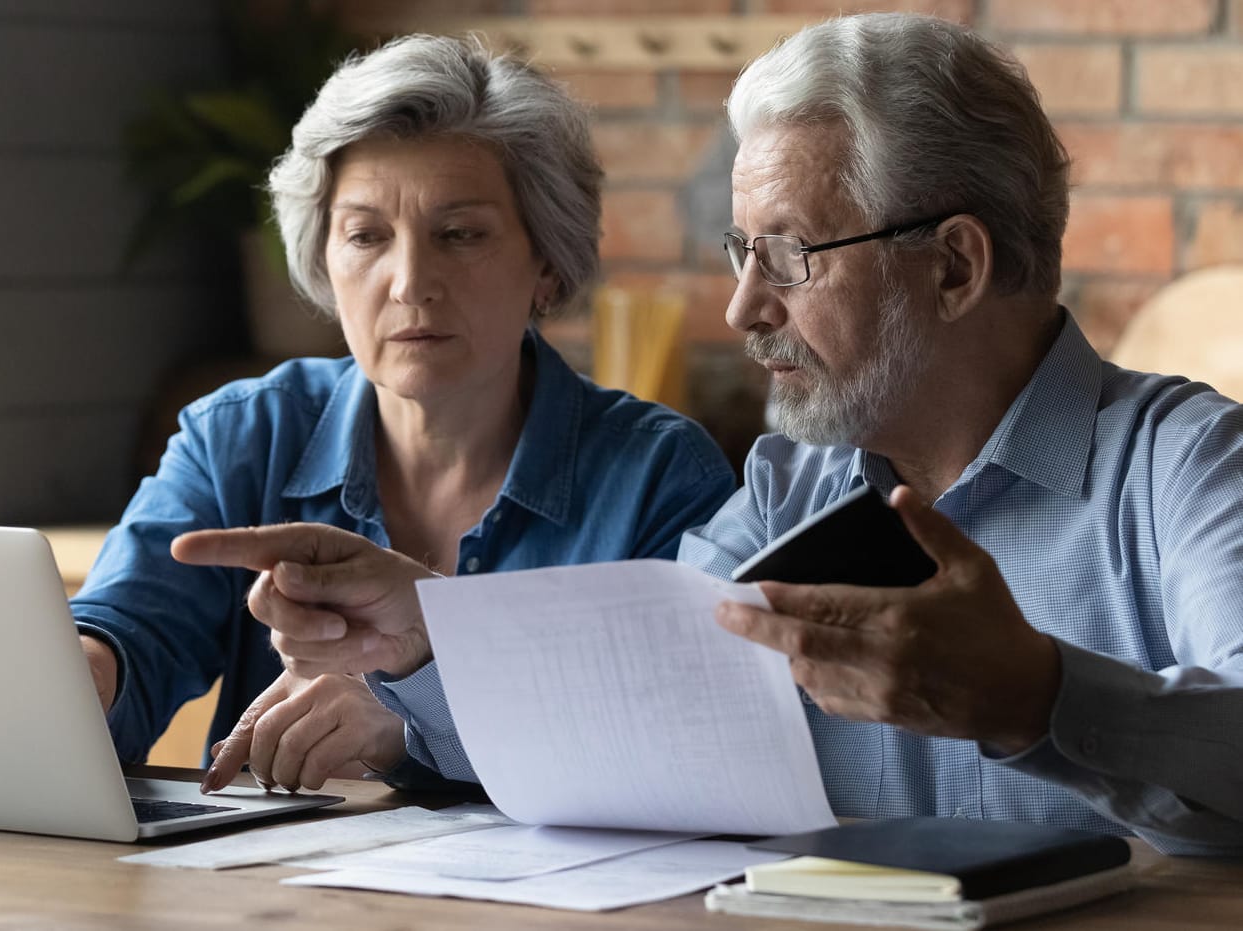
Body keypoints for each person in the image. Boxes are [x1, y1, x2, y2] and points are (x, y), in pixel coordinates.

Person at [243, 14, 1243, 857]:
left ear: (952, 267)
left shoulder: (1189, 467)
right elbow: (622, 725)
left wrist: (1037, 697)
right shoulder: (783, 490)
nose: (741, 307)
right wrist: (427, 641)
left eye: (786, 256)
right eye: (739, 252)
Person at [72, 34, 735, 794]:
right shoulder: (242, 436)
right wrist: (86, 676)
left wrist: (413, 727)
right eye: (366, 236)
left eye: (460, 234)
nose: (411, 282)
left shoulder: (660, 477)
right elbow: (131, 629)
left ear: (547, 264)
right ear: (324, 260)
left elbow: (681, 744)